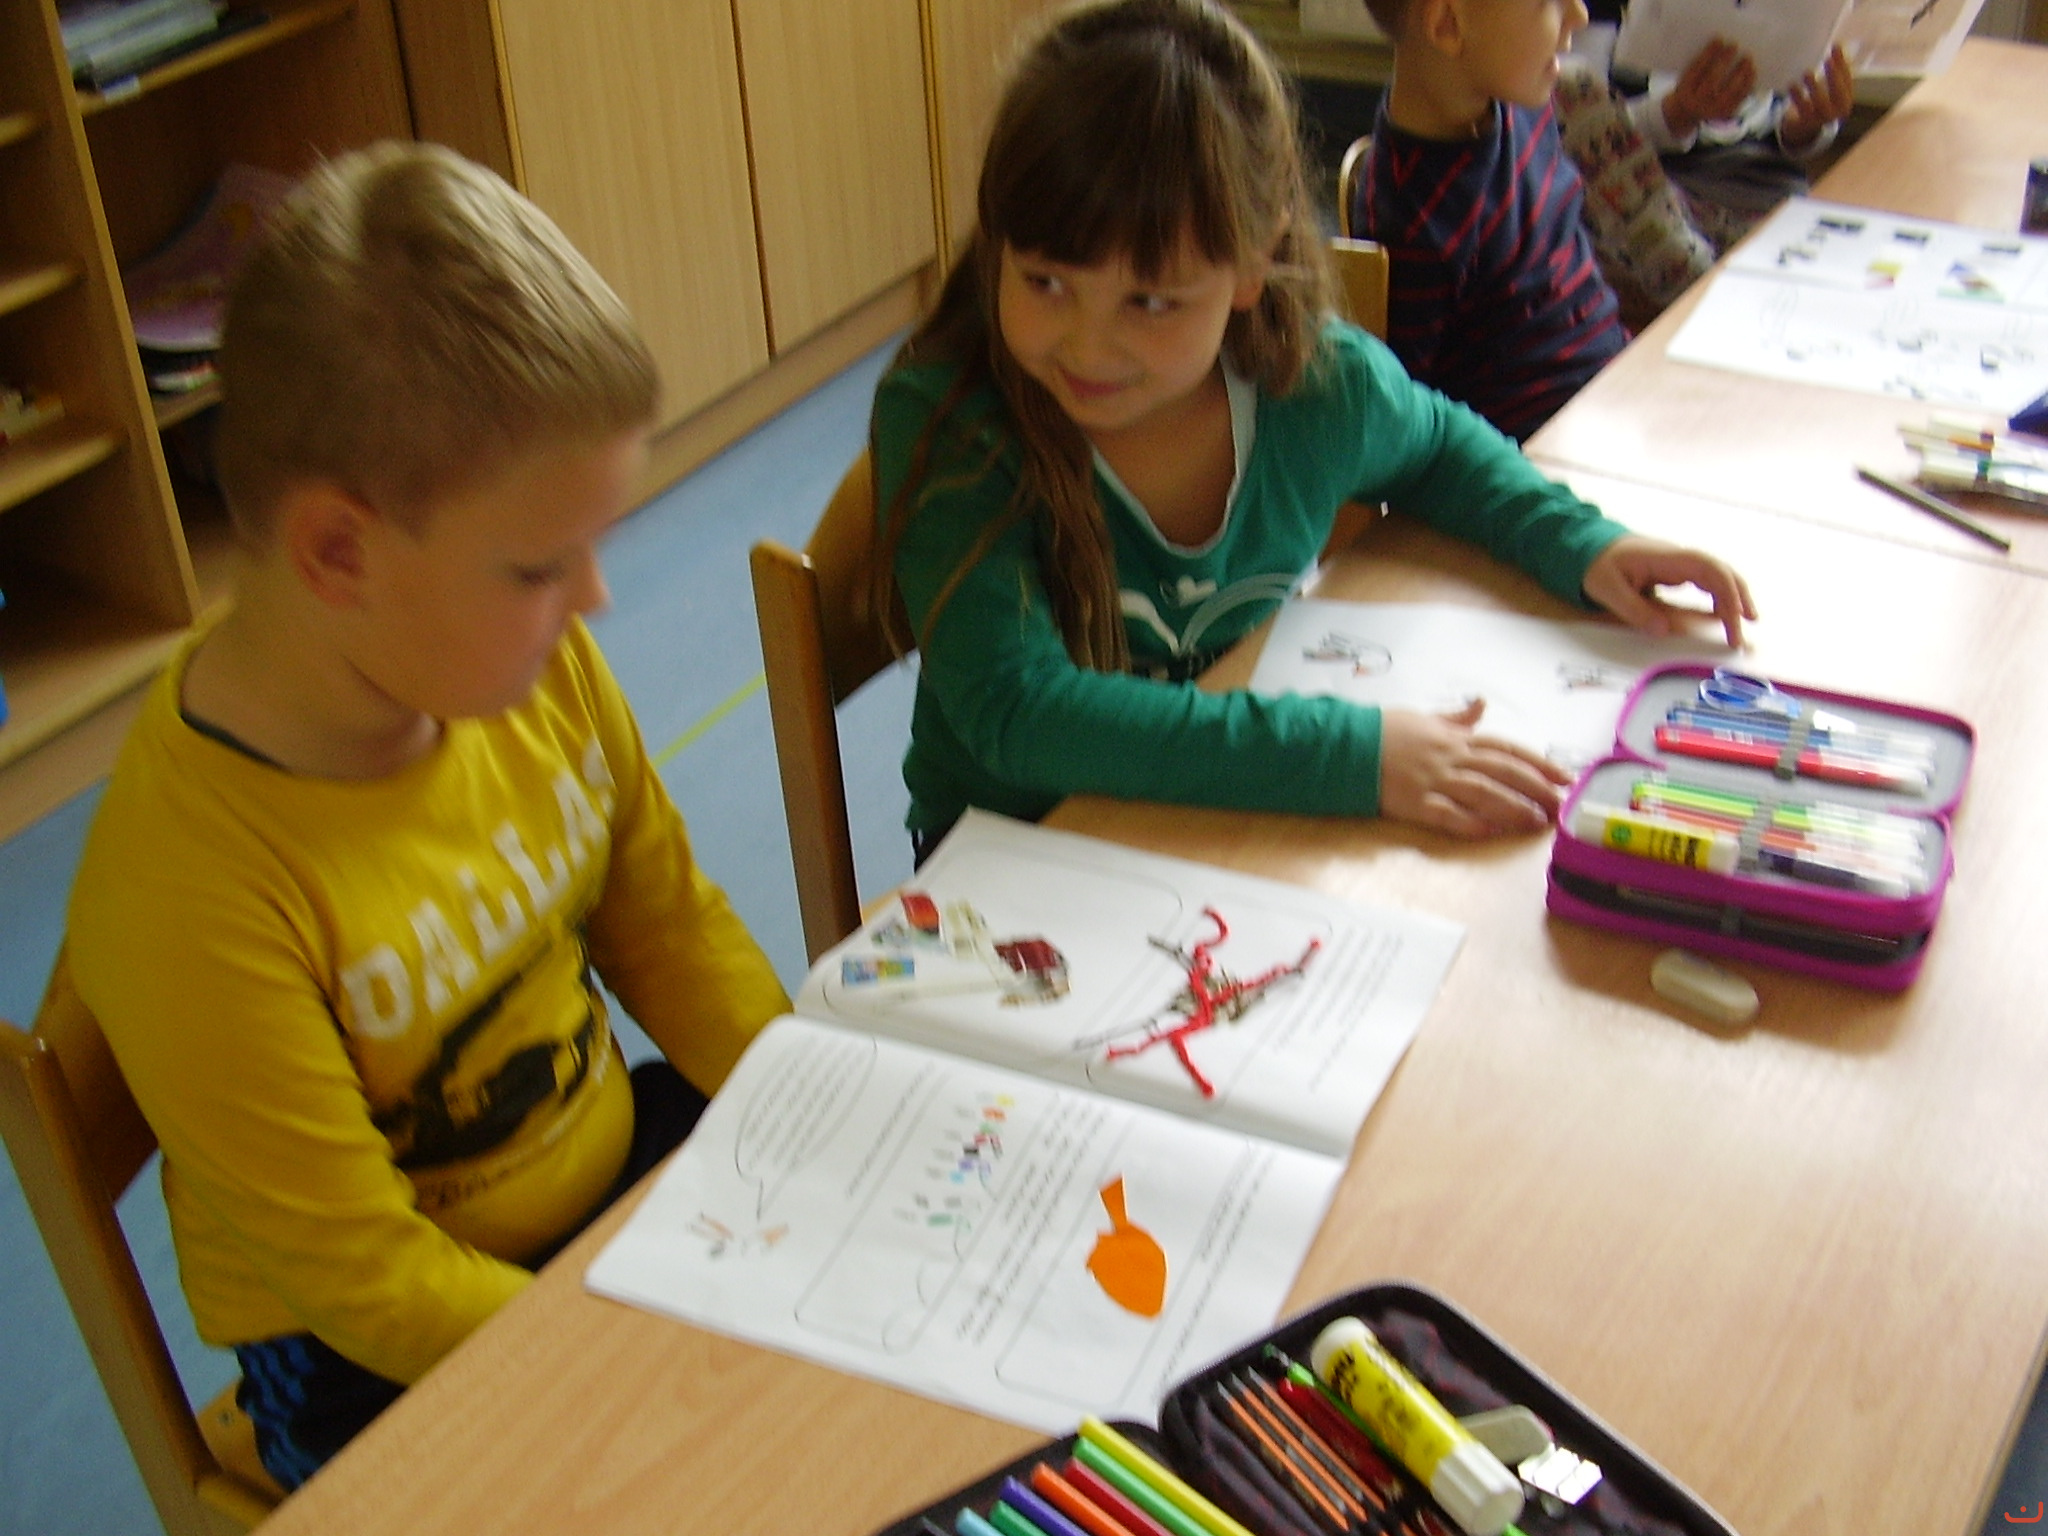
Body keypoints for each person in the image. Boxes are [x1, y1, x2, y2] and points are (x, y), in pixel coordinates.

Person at [63, 142, 790, 1490]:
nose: (594, 601)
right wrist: (632, 1351)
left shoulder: (521, 666)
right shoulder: (189, 889)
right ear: (339, 553)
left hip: (599, 1182)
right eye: (539, 565)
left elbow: (671, 930)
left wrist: (800, 1104)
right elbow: (368, 1280)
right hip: (370, 1349)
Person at [869, 0, 1754, 858]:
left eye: (1150, 301)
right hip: (1016, 856)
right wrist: (1357, 756)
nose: (1087, 345)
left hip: (1217, 820)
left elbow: (1438, 448)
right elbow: (1019, 714)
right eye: (1045, 282)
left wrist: (1584, 545)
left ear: (1254, 262)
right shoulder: (950, 417)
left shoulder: (1311, 384)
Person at [1352, 0, 1630, 440]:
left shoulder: (1518, 101)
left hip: (1616, 390)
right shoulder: (1409, 220)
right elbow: (1400, 427)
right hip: (1540, 455)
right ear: (1448, 25)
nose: (1579, 14)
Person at [1561, 6, 1856, 322]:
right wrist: (1675, 114)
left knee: (1838, 275)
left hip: (1762, 186)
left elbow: (1783, 120)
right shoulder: (1588, 15)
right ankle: (1706, 285)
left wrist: (1807, 124)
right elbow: (1577, 127)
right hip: (1660, 191)